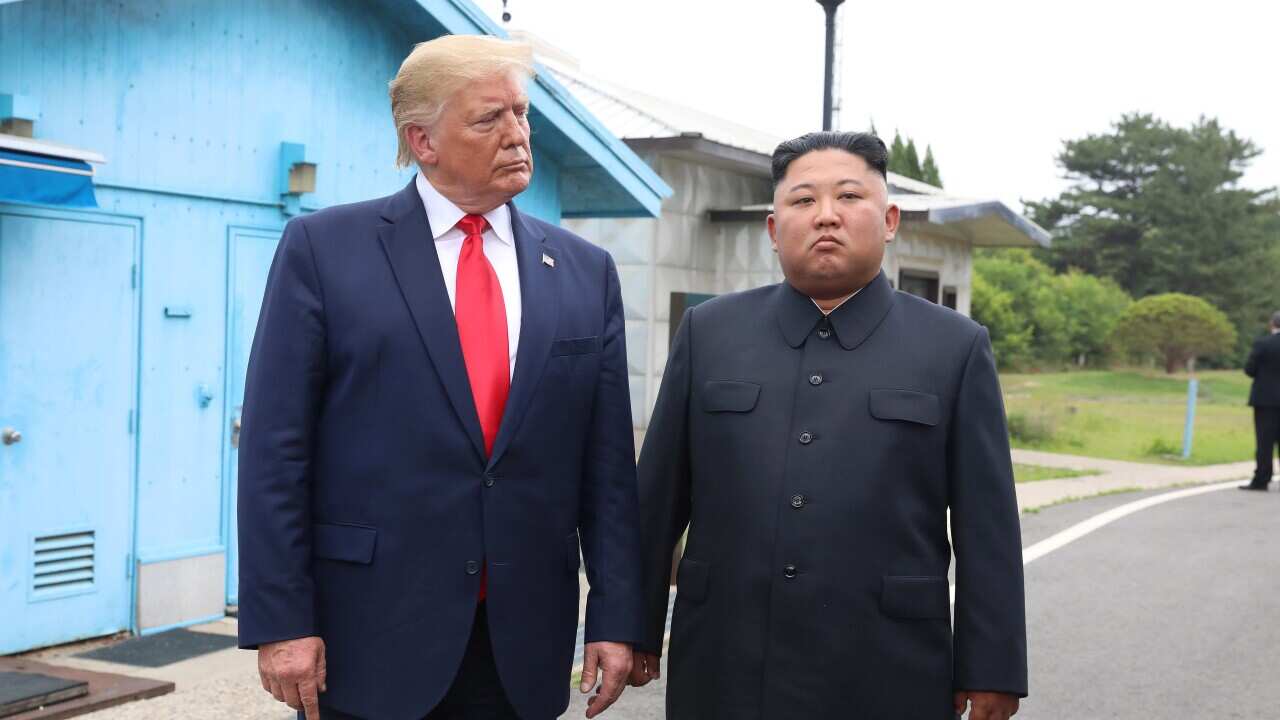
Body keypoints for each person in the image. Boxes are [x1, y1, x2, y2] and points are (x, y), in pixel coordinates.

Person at [237, 35, 641, 720]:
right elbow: (276, 449)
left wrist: (616, 615)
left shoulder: (583, 270)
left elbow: (606, 469)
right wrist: (280, 620)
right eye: (491, 118)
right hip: (369, 633)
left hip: (524, 643)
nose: (518, 135)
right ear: (422, 140)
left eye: (523, 114)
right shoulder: (325, 251)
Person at [629, 131, 1027, 719]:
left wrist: (992, 666)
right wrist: (631, 626)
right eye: (803, 201)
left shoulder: (954, 348)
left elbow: (987, 525)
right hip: (725, 663)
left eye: (849, 197)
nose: (826, 217)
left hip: (888, 668)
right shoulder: (711, 333)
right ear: (772, 228)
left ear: (889, 219)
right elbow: (657, 499)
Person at [1240, 311, 1280, 491]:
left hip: (1265, 399)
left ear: (1272, 324)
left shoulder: (1262, 344)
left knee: (1264, 442)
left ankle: (1262, 478)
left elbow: (1249, 369)